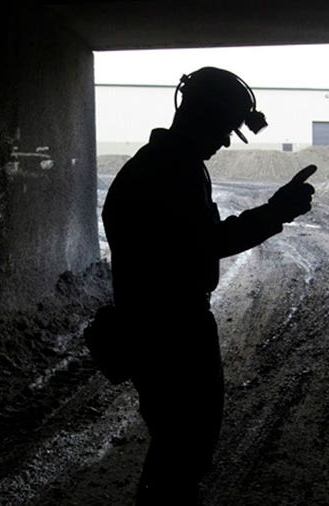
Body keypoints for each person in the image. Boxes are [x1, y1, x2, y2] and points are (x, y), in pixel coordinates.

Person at [101, 67, 316, 505]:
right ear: (201, 116)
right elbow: (208, 242)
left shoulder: (161, 165)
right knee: (183, 449)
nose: (223, 141)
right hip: (172, 331)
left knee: (176, 447)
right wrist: (277, 211)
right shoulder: (171, 171)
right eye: (223, 129)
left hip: (156, 326)